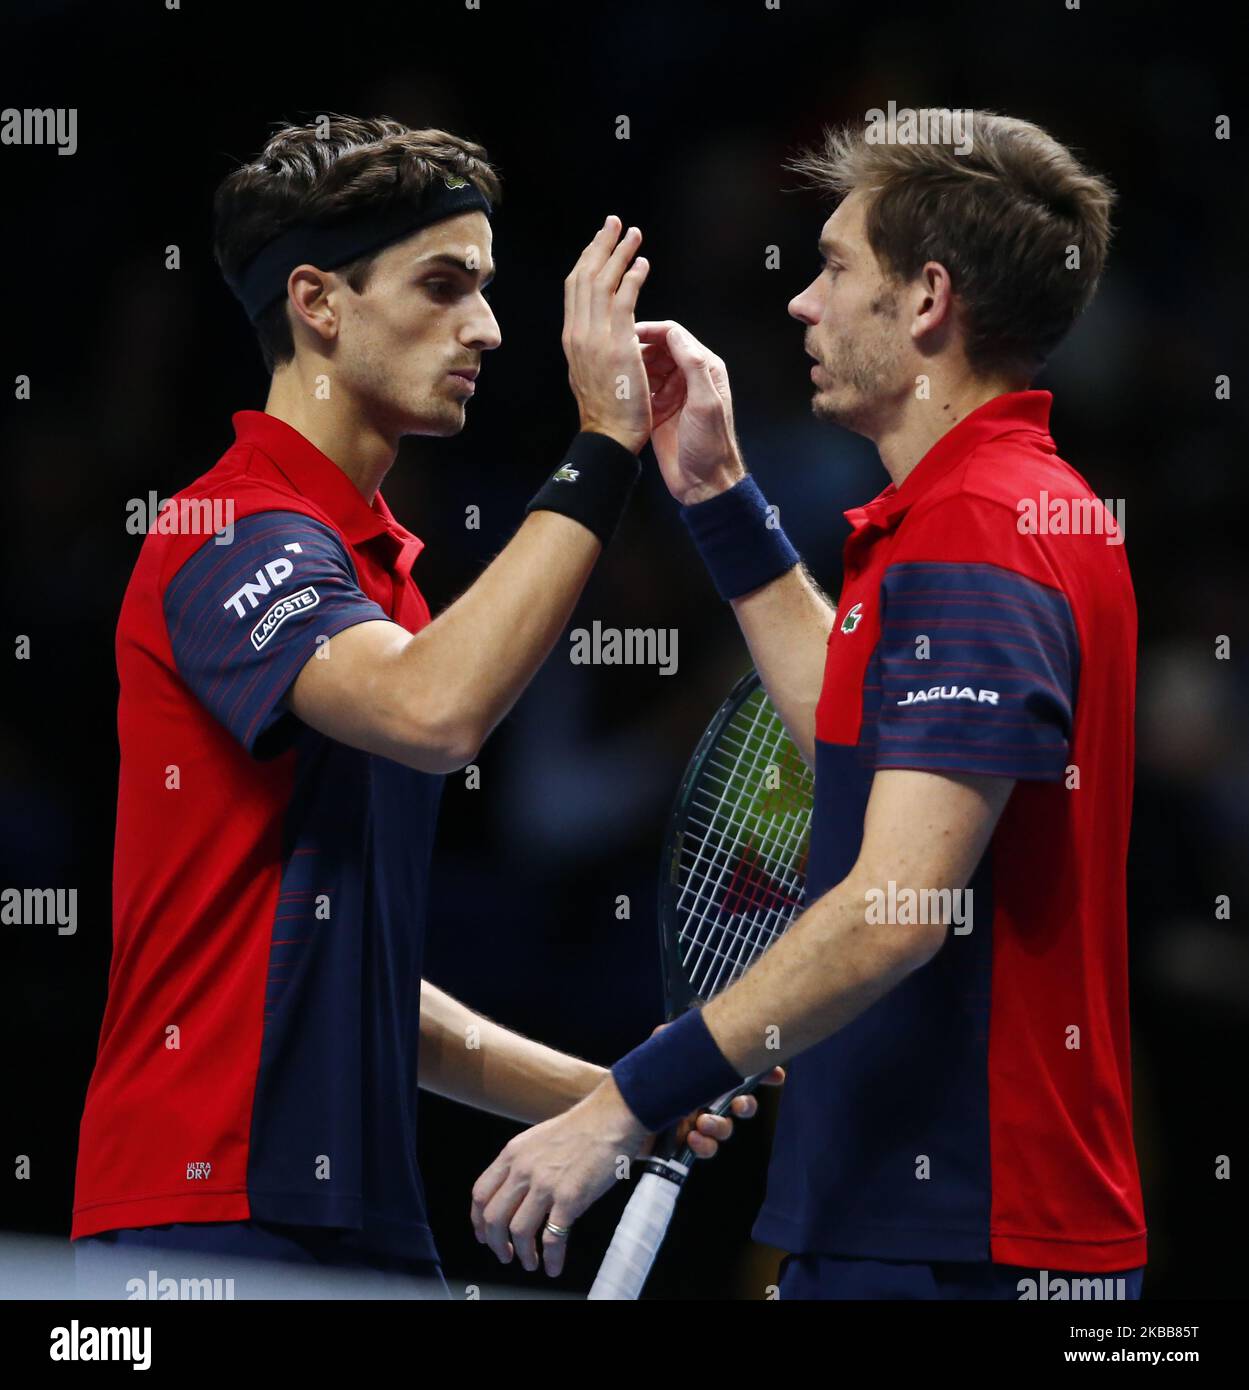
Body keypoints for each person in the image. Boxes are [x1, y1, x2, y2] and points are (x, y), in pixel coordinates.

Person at [71, 114, 759, 1300]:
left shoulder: (373, 576)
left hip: (365, 1218)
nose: (487, 329)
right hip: (203, 1214)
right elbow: (440, 712)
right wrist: (603, 442)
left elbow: (362, 985)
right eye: (443, 286)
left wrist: (615, 1097)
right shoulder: (224, 532)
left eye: (487, 289)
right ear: (318, 306)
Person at [471, 109, 1148, 1301]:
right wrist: (718, 492)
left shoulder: (979, 533)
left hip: (956, 1241)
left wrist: (626, 1101)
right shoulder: (1004, 507)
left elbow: (898, 908)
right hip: (943, 1228)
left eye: (837, 268)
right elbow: (851, 735)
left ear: (927, 297)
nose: (802, 302)